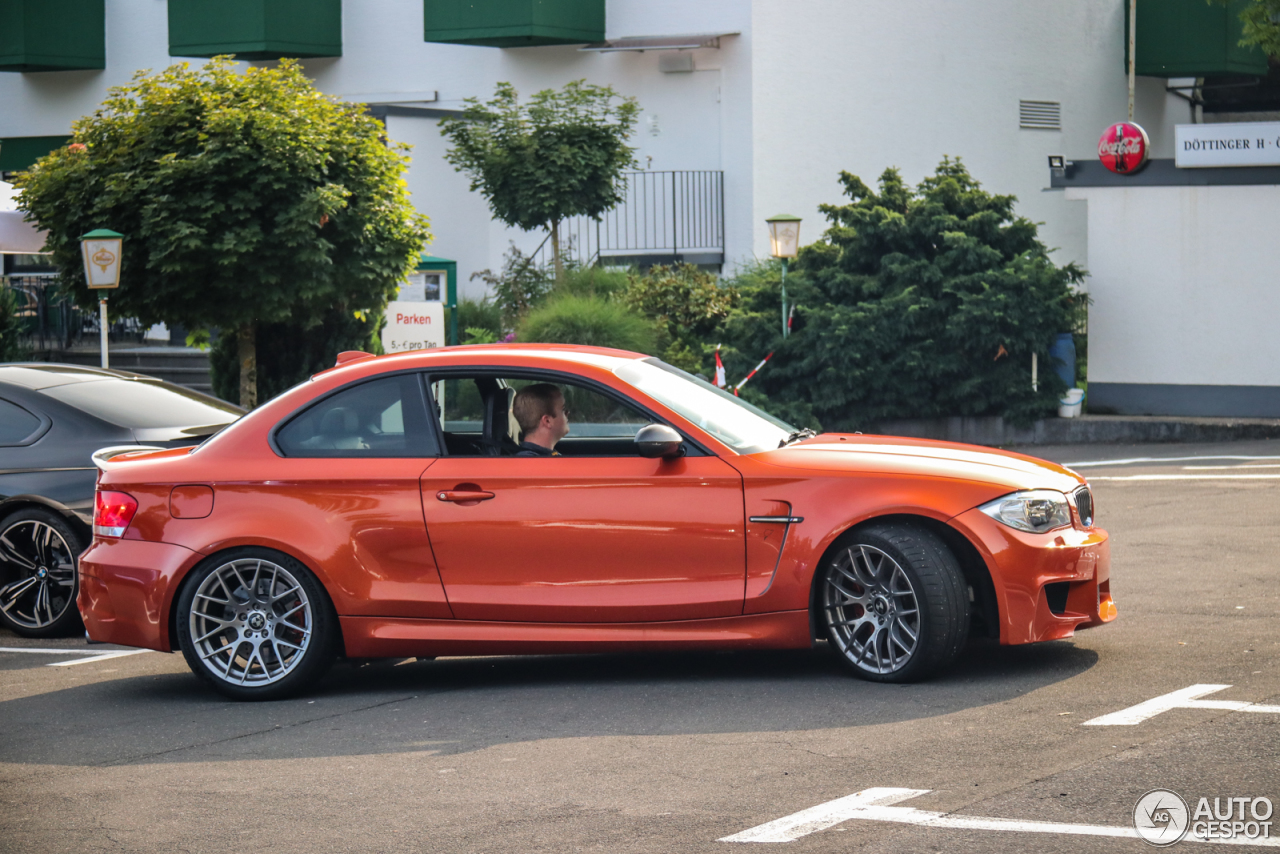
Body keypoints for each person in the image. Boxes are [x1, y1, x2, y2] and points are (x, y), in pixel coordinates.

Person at [512, 383, 569, 456]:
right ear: (547, 421)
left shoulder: (543, 456)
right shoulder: (529, 462)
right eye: (563, 410)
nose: (568, 413)